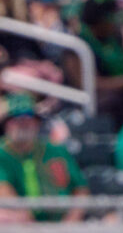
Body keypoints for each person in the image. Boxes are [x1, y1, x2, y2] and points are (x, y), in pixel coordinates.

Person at [0, 95, 88, 223]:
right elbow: (5, 193)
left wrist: (70, 222)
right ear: (6, 124)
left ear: (37, 122)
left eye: (28, 117)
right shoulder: (2, 153)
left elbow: (81, 189)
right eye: (16, 118)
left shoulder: (56, 150)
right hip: (21, 224)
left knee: (112, 219)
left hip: (64, 222)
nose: (23, 123)